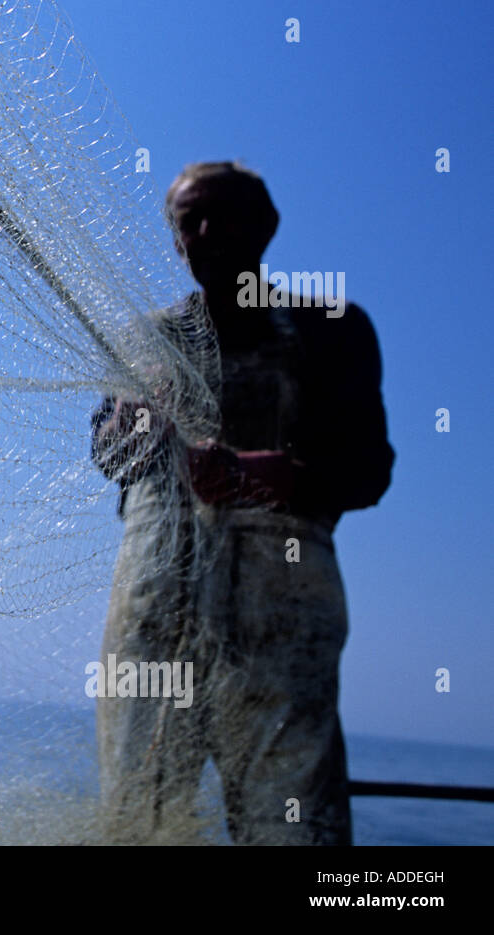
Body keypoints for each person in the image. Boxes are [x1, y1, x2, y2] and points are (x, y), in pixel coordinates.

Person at [90, 161, 393, 844]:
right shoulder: (145, 339)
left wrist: (267, 474)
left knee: (291, 823)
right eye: (187, 222)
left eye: (223, 215)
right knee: (137, 819)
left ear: (266, 228)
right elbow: (107, 451)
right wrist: (136, 424)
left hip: (280, 619)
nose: (205, 231)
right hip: (152, 612)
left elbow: (368, 468)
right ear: (175, 243)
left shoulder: (332, 327)